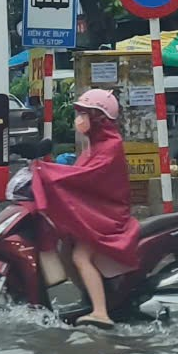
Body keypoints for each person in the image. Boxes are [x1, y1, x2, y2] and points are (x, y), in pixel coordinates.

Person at [30, 88, 141, 329]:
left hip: (107, 214)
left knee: (80, 256)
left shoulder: (110, 146)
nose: (79, 119)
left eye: (84, 114)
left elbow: (86, 177)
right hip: (98, 210)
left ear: (99, 118)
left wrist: (46, 173)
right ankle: (92, 300)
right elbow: (79, 175)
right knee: (67, 250)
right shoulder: (95, 144)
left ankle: (101, 312)